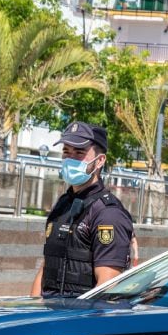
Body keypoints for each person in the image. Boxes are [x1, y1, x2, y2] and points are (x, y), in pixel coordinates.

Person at [30, 121, 135, 298]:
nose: (70, 159)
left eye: (79, 153)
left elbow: (107, 286)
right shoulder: (63, 204)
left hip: (79, 319)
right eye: (66, 152)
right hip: (49, 316)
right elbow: (46, 267)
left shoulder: (108, 214)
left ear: (100, 160)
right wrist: (32, 311)